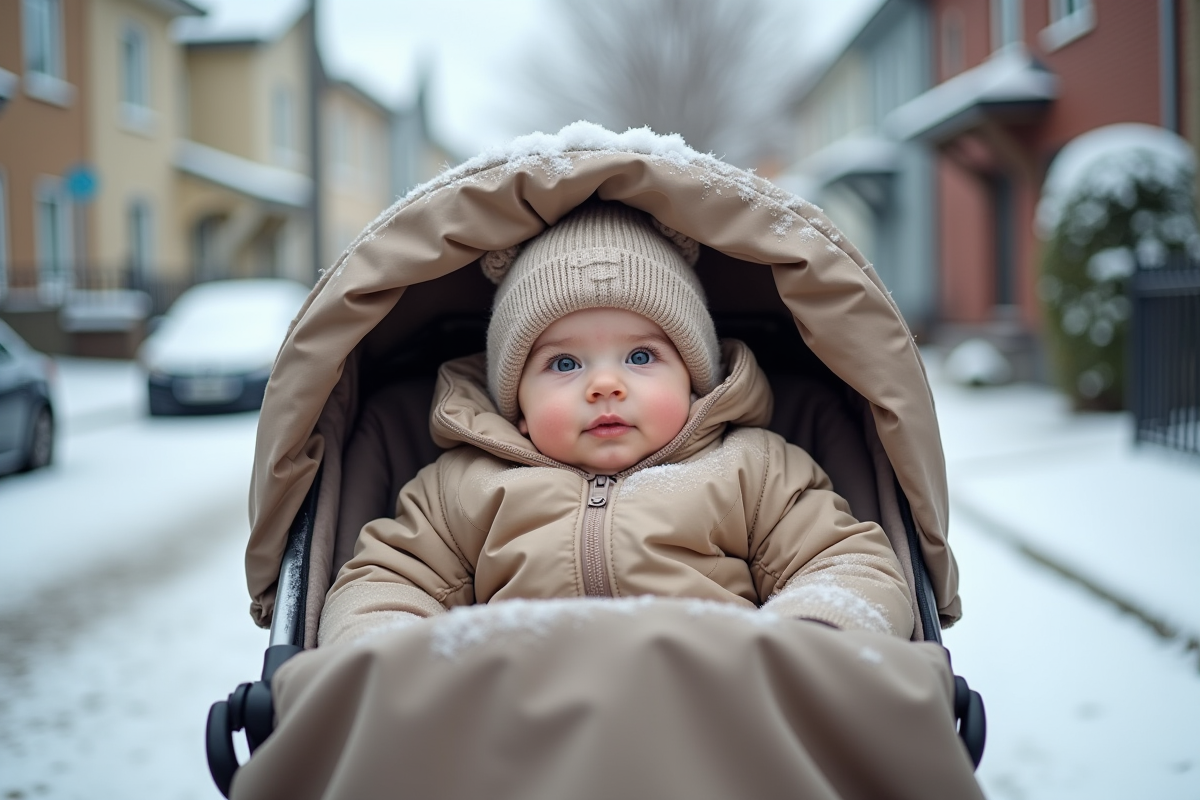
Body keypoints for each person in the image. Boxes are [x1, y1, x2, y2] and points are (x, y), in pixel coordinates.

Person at [317, 200, 914, 646]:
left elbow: (846, 563)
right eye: (565, 363)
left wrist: (805, 639)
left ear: (695, 380)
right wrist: (394, 654)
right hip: (509, 736)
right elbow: (386, 582)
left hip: (721, 725)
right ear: (516, 406)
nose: (605, 384)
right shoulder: (460, 489)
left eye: (641, 356)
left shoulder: (753, 470)